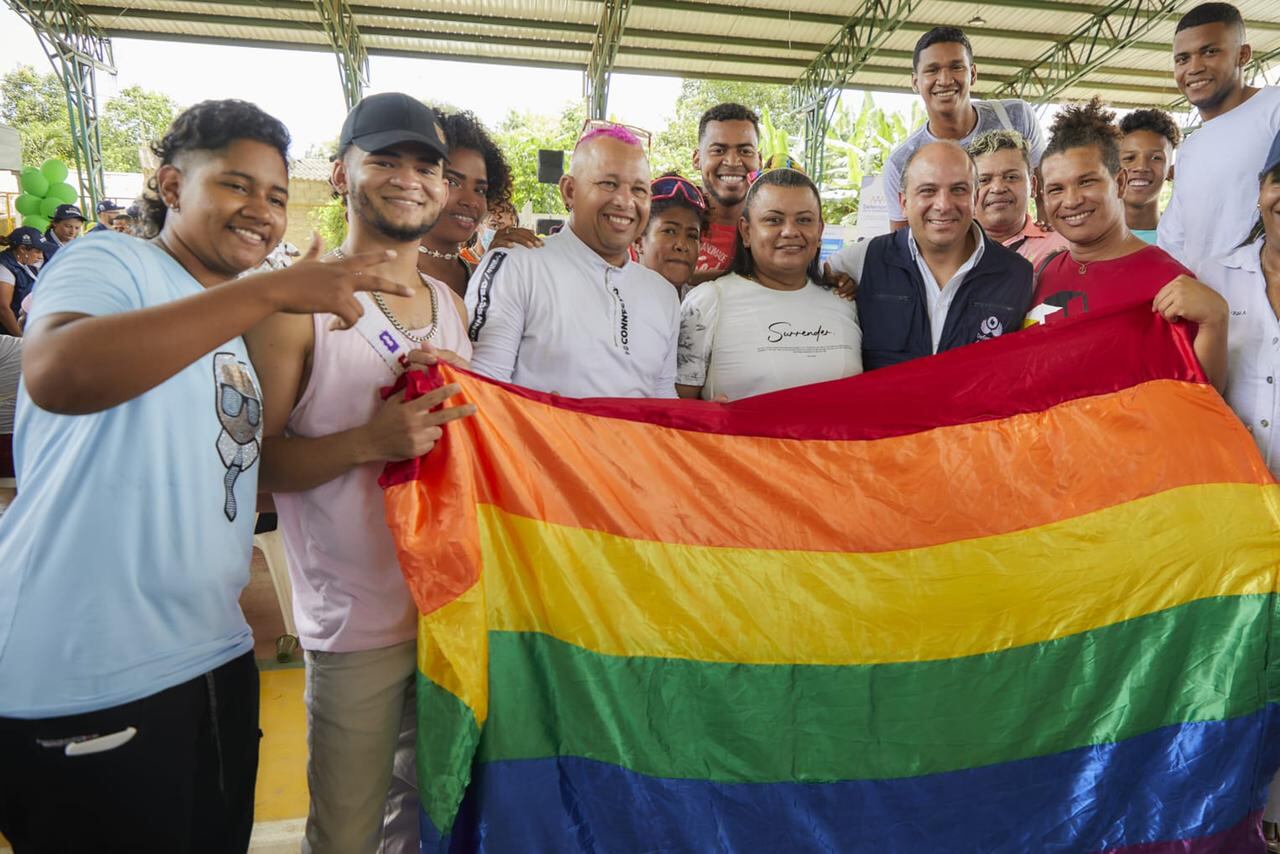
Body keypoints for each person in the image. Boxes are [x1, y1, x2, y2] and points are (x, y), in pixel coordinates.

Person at [0, 98, 412, 853]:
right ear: (170, 185)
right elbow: (56, 371)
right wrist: (274, 291)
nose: (262, 211)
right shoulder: (112, 260)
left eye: (277, 197)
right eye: (235, 184)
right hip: (91, 671)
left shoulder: (223, 322)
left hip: (211, 657)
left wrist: (376, 434)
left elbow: (242, 474)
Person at [246, 92, 475, 854]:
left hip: (448, 614)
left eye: (426, 166)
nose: (409, 179)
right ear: (342, 173)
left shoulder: (449, 305)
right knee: (346, 833)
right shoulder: (294, 306)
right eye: (386, 160)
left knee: (429, 822)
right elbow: (252, 469)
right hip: (353, 628)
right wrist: (370, 440)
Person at [1193, 129, 1280, 851]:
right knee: (1245, 669)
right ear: (1261, 192)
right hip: (1236, 519)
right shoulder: (1213, 276)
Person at [466, 125, 679, 398]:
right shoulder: (516, 265)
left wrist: (715, 416)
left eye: (639, 190)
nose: (625, 201)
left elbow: (664, 403)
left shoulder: (663, 294)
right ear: (569, 190)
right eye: (609, 184)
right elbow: (481, 390)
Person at [1030, 98, 1227, 390]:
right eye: (1056, 189)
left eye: (1087, 182)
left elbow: (1201, 399)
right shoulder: (1042, 272)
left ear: (1120, 183)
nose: (1071, 200)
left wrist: (1215, 322)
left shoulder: (1169, 280)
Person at [828, 140, 1033, 370]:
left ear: (974, 198)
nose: (943, 205)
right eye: (928, 191)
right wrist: (833, 285)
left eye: (958, 189)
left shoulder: (1018, 275)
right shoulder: (860, 261)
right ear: (903, 203)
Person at [677, 168, 861, 401]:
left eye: (804, 220)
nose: (790, 231)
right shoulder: (708, 302)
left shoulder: (844, 301)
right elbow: (675, 406)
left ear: (819, 230)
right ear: (746, 231)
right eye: (774, 220)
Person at [884, 27, 1046, 231]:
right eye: (932, 70)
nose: (945, 80)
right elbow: (901, 239)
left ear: (973, 74)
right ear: (915, 82)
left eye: (956, 67)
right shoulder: (900, 162)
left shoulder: (1015, 116)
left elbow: (1046, 189)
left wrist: (1049, 242)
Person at [1159, 2, 1280, 266]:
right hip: (1201, 291)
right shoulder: (1190, 148)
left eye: (1210, 52)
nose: (1194, 67)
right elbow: (1174, 240)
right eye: (1182, 59)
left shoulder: (1275, 109)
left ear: (1243, 55)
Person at [416, 110, 517, 298]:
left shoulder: (483, 277)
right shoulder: (383, 276)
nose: (470, 201)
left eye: (480, 190)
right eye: (453, 183)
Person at [970, 129, 1067, 267]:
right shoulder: (950, 250)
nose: (998, 188)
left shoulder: (1064, 246)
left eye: (1011, 177)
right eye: (984, 180)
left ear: (1033, 186)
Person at [691, 103, 762, 283]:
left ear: (759, 160)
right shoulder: (667, 224)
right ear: (697, 159)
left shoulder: (773, 231)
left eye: (745, 151)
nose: (732, 161)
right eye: (718, 150)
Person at [636, 172, 706, 295]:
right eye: (669, 231)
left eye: (692, 236)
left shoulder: (704, 303)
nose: (682, 245)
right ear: (638, 241)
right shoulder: (610, 300)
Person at [1118, 109, 1180, 244]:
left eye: (1156, 158)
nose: (1141, 167)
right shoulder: (1087, 237)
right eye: (1129, 158)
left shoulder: (1182, 239)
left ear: (1170, 170)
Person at [0, 227, 45, 336]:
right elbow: (3, 309)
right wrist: (20, 338)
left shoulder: (26, 262)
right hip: (9, 334)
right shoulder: (4, 268)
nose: (41, 256)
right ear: (22, 249)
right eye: (38, 252)